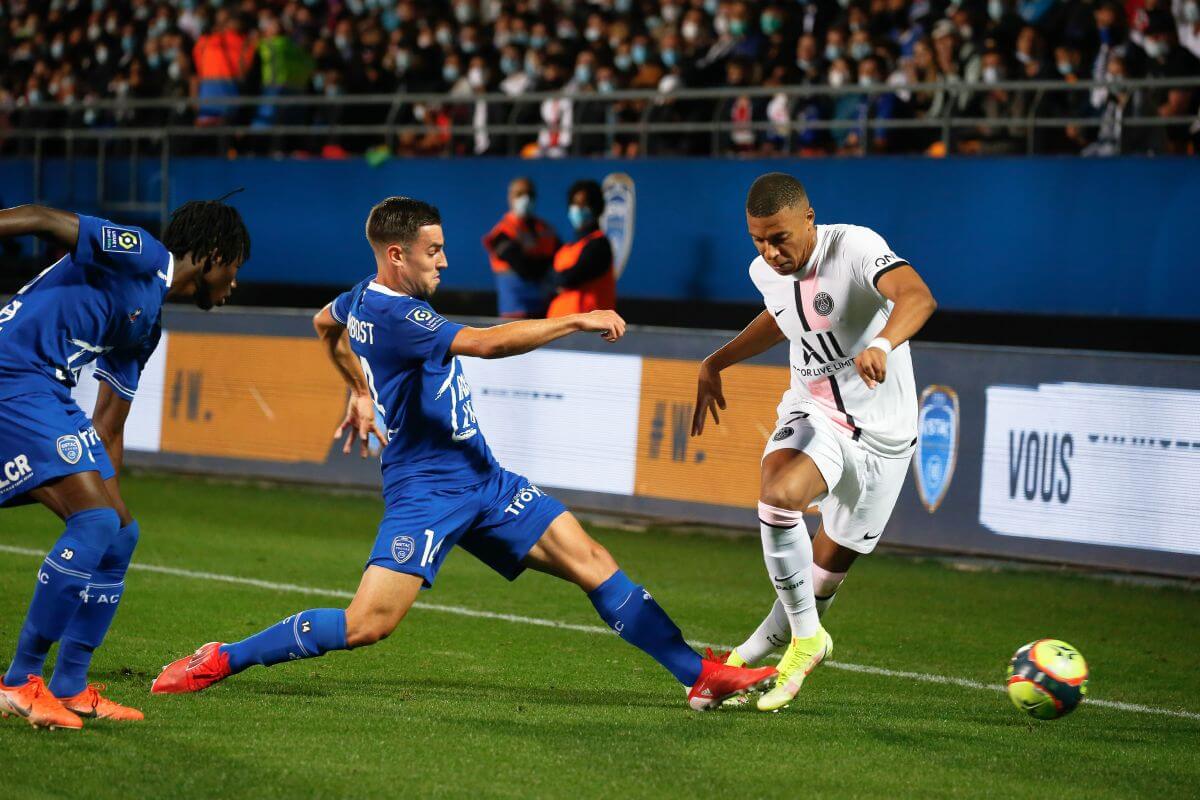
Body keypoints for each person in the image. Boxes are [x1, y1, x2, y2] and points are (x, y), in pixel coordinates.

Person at [151, 197, 776, 711]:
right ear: (397, 255)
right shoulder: (398, 316)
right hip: (425, 490)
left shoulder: (361, 297)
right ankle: (222, 658)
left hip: (483, 477)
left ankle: (698, 675)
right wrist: (575, 321)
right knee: (367, 624)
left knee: (590, 558)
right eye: (434, 251)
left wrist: (359, 393)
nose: (445, 262)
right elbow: (483, 343)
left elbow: (324, 323)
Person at [0, 200, 251, 729]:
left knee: (117, 533)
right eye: (234, 268)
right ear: (211, 257)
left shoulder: (146, 327)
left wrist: (113, 501)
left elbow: (109, 427)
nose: (233, 284)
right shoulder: (139, 253)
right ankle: (19, 681)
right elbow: (46, 220)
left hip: (43, 391)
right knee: (92, 522)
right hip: (14, 375)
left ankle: (69, 685)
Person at [691, 173, 936, 712]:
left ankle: (749, 655)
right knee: (779, 496)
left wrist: (882, 342)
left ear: (809, 219)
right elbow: (785, 319)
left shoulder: (855, 248)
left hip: (884, 439)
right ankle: (807, 641)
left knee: (818, 581)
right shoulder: (764, 270)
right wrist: (718, 359)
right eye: (757, 239)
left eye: (779, 237)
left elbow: (917, 297)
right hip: (815, 411)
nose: (769, 251)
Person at [482, 178, 559, 319]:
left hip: (544, 308)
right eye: (520, 194)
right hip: (515, 311)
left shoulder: (545, 228)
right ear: (510, 197)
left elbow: (561, 256)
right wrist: (548, 265)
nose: (526, 198)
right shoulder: (502, 232)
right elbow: (523, 267)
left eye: (530, 194)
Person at [547, 180, 616, 318]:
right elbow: (548, 280)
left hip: (588, 330)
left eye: (583, 204)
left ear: (595, 208)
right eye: (574, 204)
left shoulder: (600, 245)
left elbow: (571, 277)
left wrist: (558, 279)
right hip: (558, 325)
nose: (577, 209)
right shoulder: (566, 248)